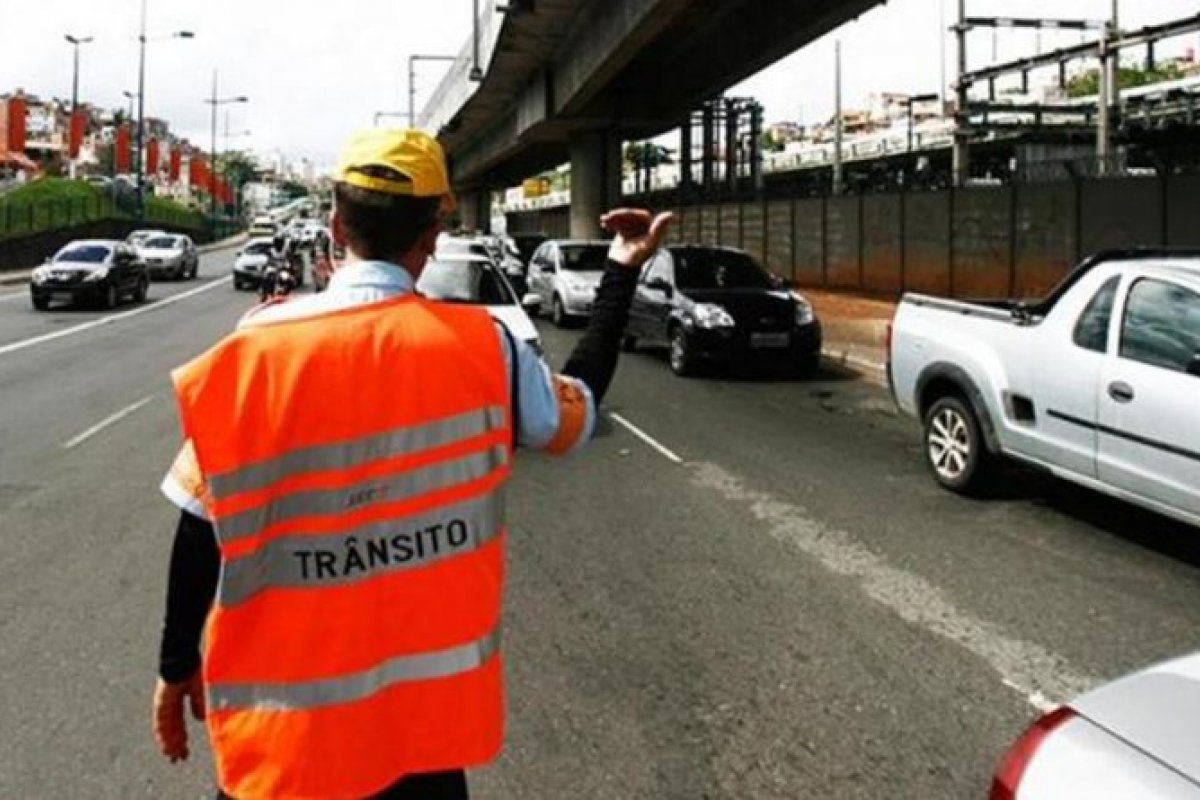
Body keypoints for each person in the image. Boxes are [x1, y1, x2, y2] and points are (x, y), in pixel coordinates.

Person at [151, 127, 673, 800]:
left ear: (336, 225)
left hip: (284, 756)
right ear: (433, 235)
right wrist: (623, 268)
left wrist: (174, 665)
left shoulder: (252, 353)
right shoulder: (489, 350)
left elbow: (198, 527)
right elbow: (582, 403)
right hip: (420, 748)